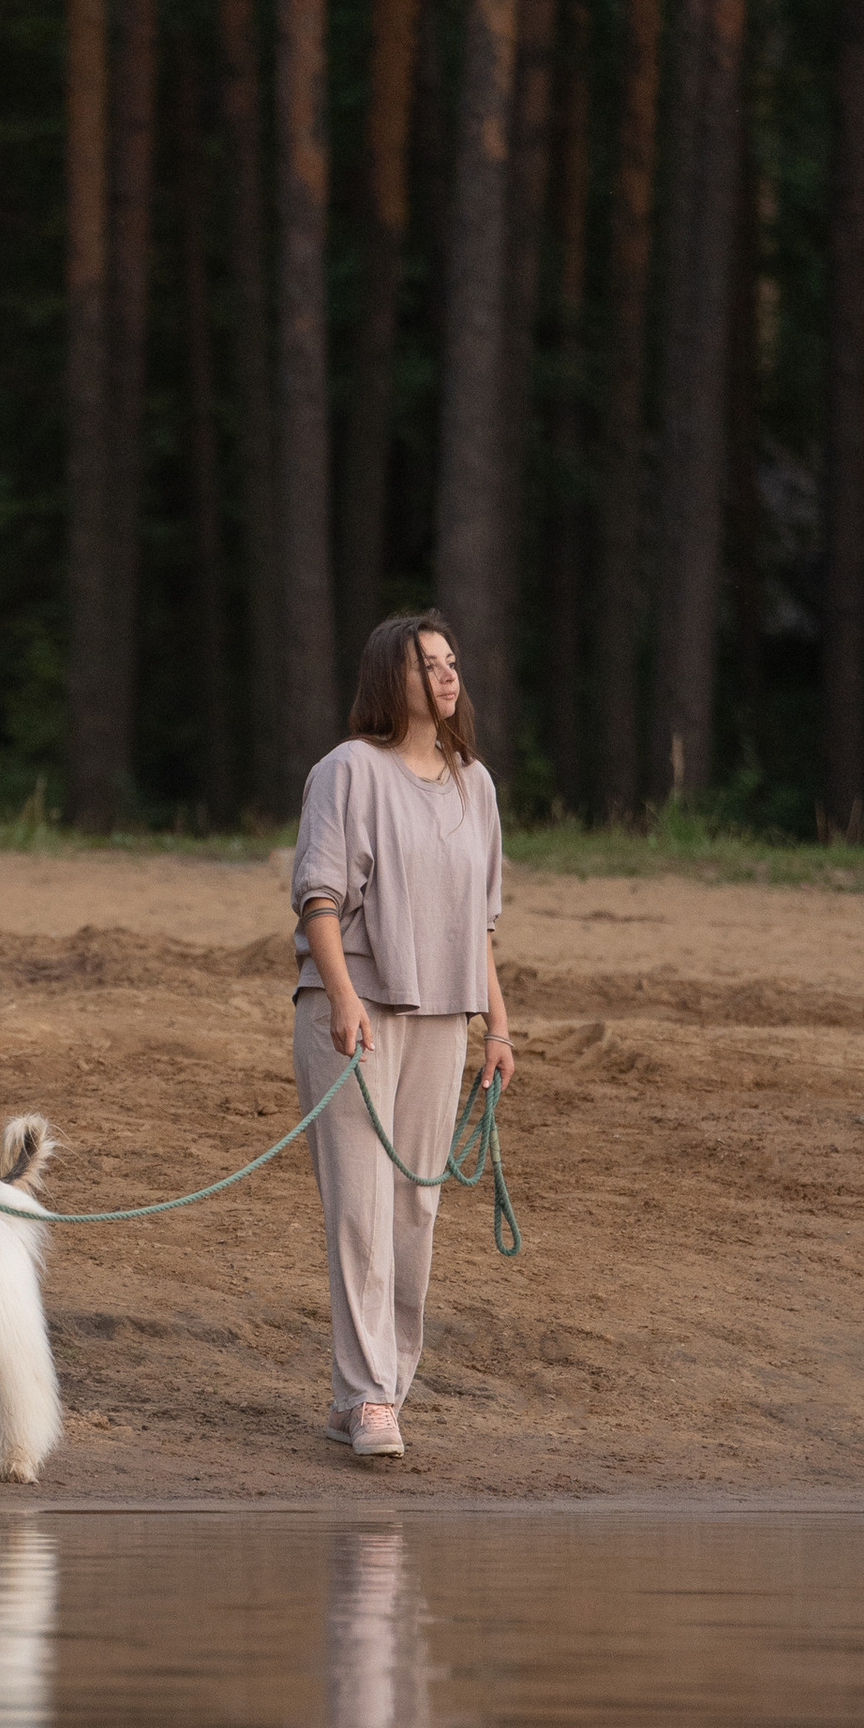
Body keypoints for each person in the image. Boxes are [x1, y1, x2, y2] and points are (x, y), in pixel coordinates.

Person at [289, 612, 514, 1462]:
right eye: (429, 665)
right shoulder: (346, 771)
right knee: (360, 1204)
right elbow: (317, 896)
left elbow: (480, 924)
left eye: (453, 662)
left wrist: (499, 1026)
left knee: (416, 1203)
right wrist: (342, 998)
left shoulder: (474, 784)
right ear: (394, 677)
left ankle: (381, 1387)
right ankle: (369, 1394)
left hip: (443, 1016)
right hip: (352, 1013)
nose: (448, 676)